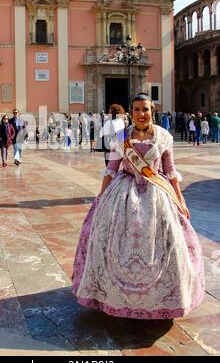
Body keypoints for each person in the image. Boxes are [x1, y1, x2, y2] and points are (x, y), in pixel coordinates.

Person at [72, 92, 205, 319]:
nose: (141, 114)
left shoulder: (163, 137)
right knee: (106, 238)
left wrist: (179, 199)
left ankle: (164, 298)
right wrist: (101, 197)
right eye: (136, 110)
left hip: (157, 194)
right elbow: (111, 169)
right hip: (122, 193)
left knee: (171, 239)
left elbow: (170, 171)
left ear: (152, 111)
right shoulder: (121, 137)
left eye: (145, 109)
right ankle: (110, 296)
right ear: (131, 112)